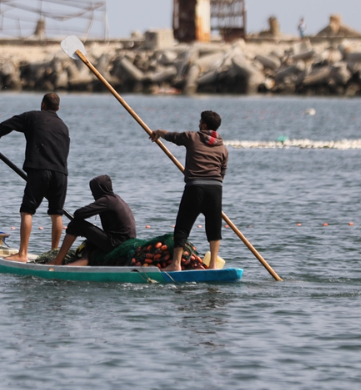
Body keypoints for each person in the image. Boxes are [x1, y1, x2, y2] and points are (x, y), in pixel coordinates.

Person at [0, 93, 69, 262]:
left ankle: (22, 254)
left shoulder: (33, 116)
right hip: (61, 174)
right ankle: (55, 255)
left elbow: (5, 125)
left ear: (43, 105)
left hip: (39, 170)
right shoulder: (63, 126)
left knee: (27, 211)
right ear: (58, 108)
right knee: (57, 214)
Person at [148, 110, 228, 271]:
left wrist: (157, 132)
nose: (198, 124)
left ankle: (175, 264)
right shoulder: (223, 148)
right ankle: (213, 265)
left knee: (182, 226)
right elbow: (222, 173)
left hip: (195, 188)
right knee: (214, 227)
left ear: (204, 125)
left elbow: (172, 136)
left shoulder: (192, 137)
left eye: (200, 122)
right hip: (215, 189)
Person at [51, 175, 136, 266]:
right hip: (123, 240)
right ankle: (85, 259)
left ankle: (58, 261)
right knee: (90, 240)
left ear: (100, 189)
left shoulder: (107, 200)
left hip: (116, 243)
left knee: (76, 224)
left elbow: (79, 214)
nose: (92, 194)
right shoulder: (116, 198)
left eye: (94, 191)